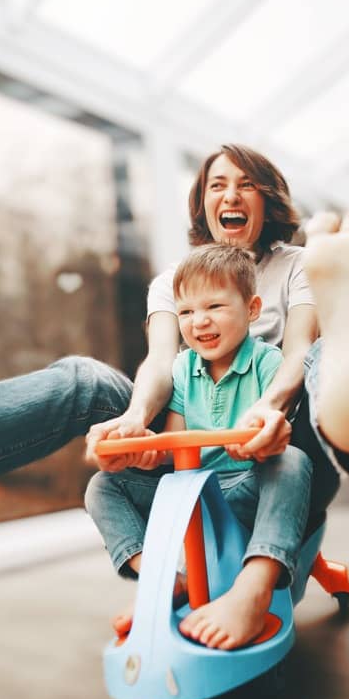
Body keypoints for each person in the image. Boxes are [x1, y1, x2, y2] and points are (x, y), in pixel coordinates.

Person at [0, 144, 349, 541]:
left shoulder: (304, 264)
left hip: (284, 444)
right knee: (85, 379)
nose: (231, 195)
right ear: (202, 203)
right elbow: (161, 361)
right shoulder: (172, 282)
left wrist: (268, 409)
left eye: (246, 185)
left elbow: (294, 350)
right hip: (195, 443)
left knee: (320, 354)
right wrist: (136, 419)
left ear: (267, 200)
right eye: (218, 185)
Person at [85, 244, 312, 650]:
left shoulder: (266, 363)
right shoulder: (182, 368)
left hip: (245, 486)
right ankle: (164, 581)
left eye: (215, 307)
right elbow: (175, 445)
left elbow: (274, 434)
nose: (199, 322)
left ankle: (254, 587)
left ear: (253, 309)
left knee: (293, 463)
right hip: (190, 492)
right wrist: (150, 451)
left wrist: (259, 446)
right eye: (186, 312)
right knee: (103, 487)